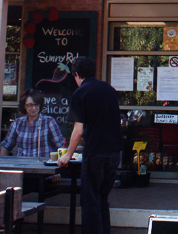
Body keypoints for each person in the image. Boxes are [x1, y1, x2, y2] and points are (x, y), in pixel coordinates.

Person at [58, 57, 122, 234]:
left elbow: (78, 130)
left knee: (90, 199)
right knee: (103, 198)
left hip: (95, 153)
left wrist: (68, 155)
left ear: (76, 75)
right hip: (114, 151)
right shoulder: (109, 90)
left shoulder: (81, 93)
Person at [0, 89, 65, 157]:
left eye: (36, 105)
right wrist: (1, 164)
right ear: (24, 106)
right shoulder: (17, 123)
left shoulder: (49, 122)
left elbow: (60, 146)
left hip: (42, 165)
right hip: (21, 164)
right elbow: (6, 146)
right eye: (30, 105)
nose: (34, 108)